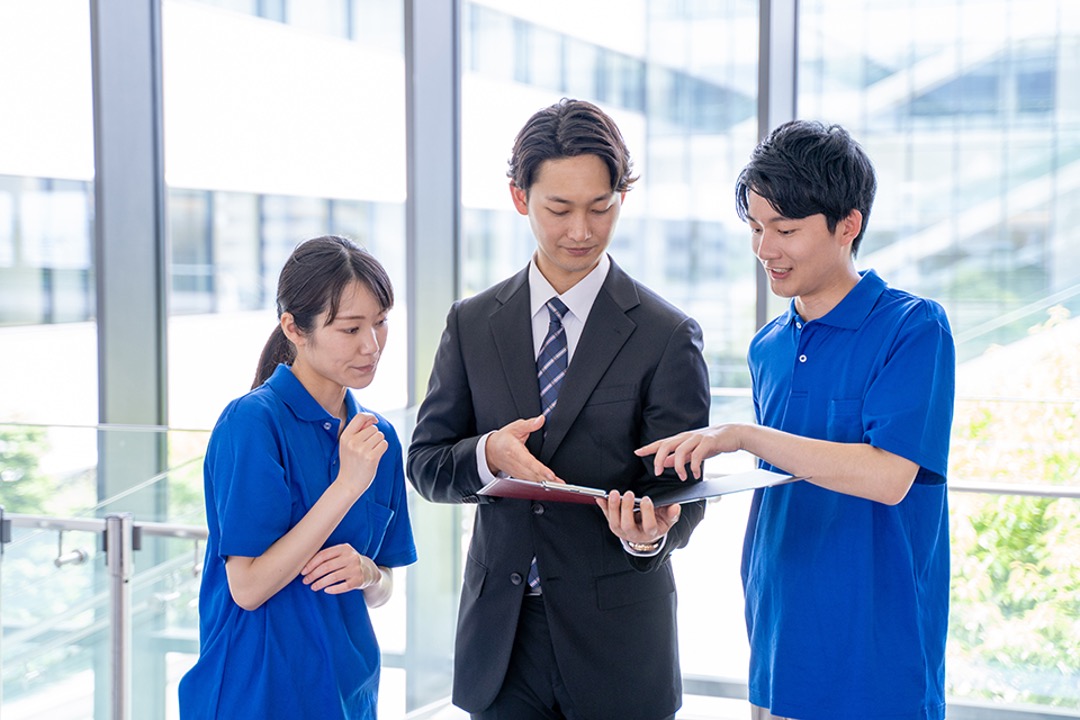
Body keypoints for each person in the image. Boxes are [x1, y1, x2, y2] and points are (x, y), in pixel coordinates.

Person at [638, 120, 956, 720]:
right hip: (779, 629)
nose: (765, 248)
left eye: (785, 229)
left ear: (848, 225)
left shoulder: (915, 329)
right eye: (756, 228)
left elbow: (889, 477)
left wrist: (742, 435)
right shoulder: (768, 347)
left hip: (877, 647)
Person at [407, 98, 711, 720]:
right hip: (502, 642)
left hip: (618, 649)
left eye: (601, 208)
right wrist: (488, 454)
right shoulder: (471, 324)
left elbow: (684, 492)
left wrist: (651, 537)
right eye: (559, 209)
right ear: (520, 198)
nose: (581, 230)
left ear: (621, 197)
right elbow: (427, 464)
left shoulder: (666, 334)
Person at [178, 235, 417, 719]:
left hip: (348, 693)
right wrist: (347, 486)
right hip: (256, 692)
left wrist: (368, 573)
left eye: (380, 322)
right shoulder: (252, 422)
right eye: (350, 329)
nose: (371, 346)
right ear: (294, 327)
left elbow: (383, 583)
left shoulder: (377, 437)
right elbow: (247, 587)